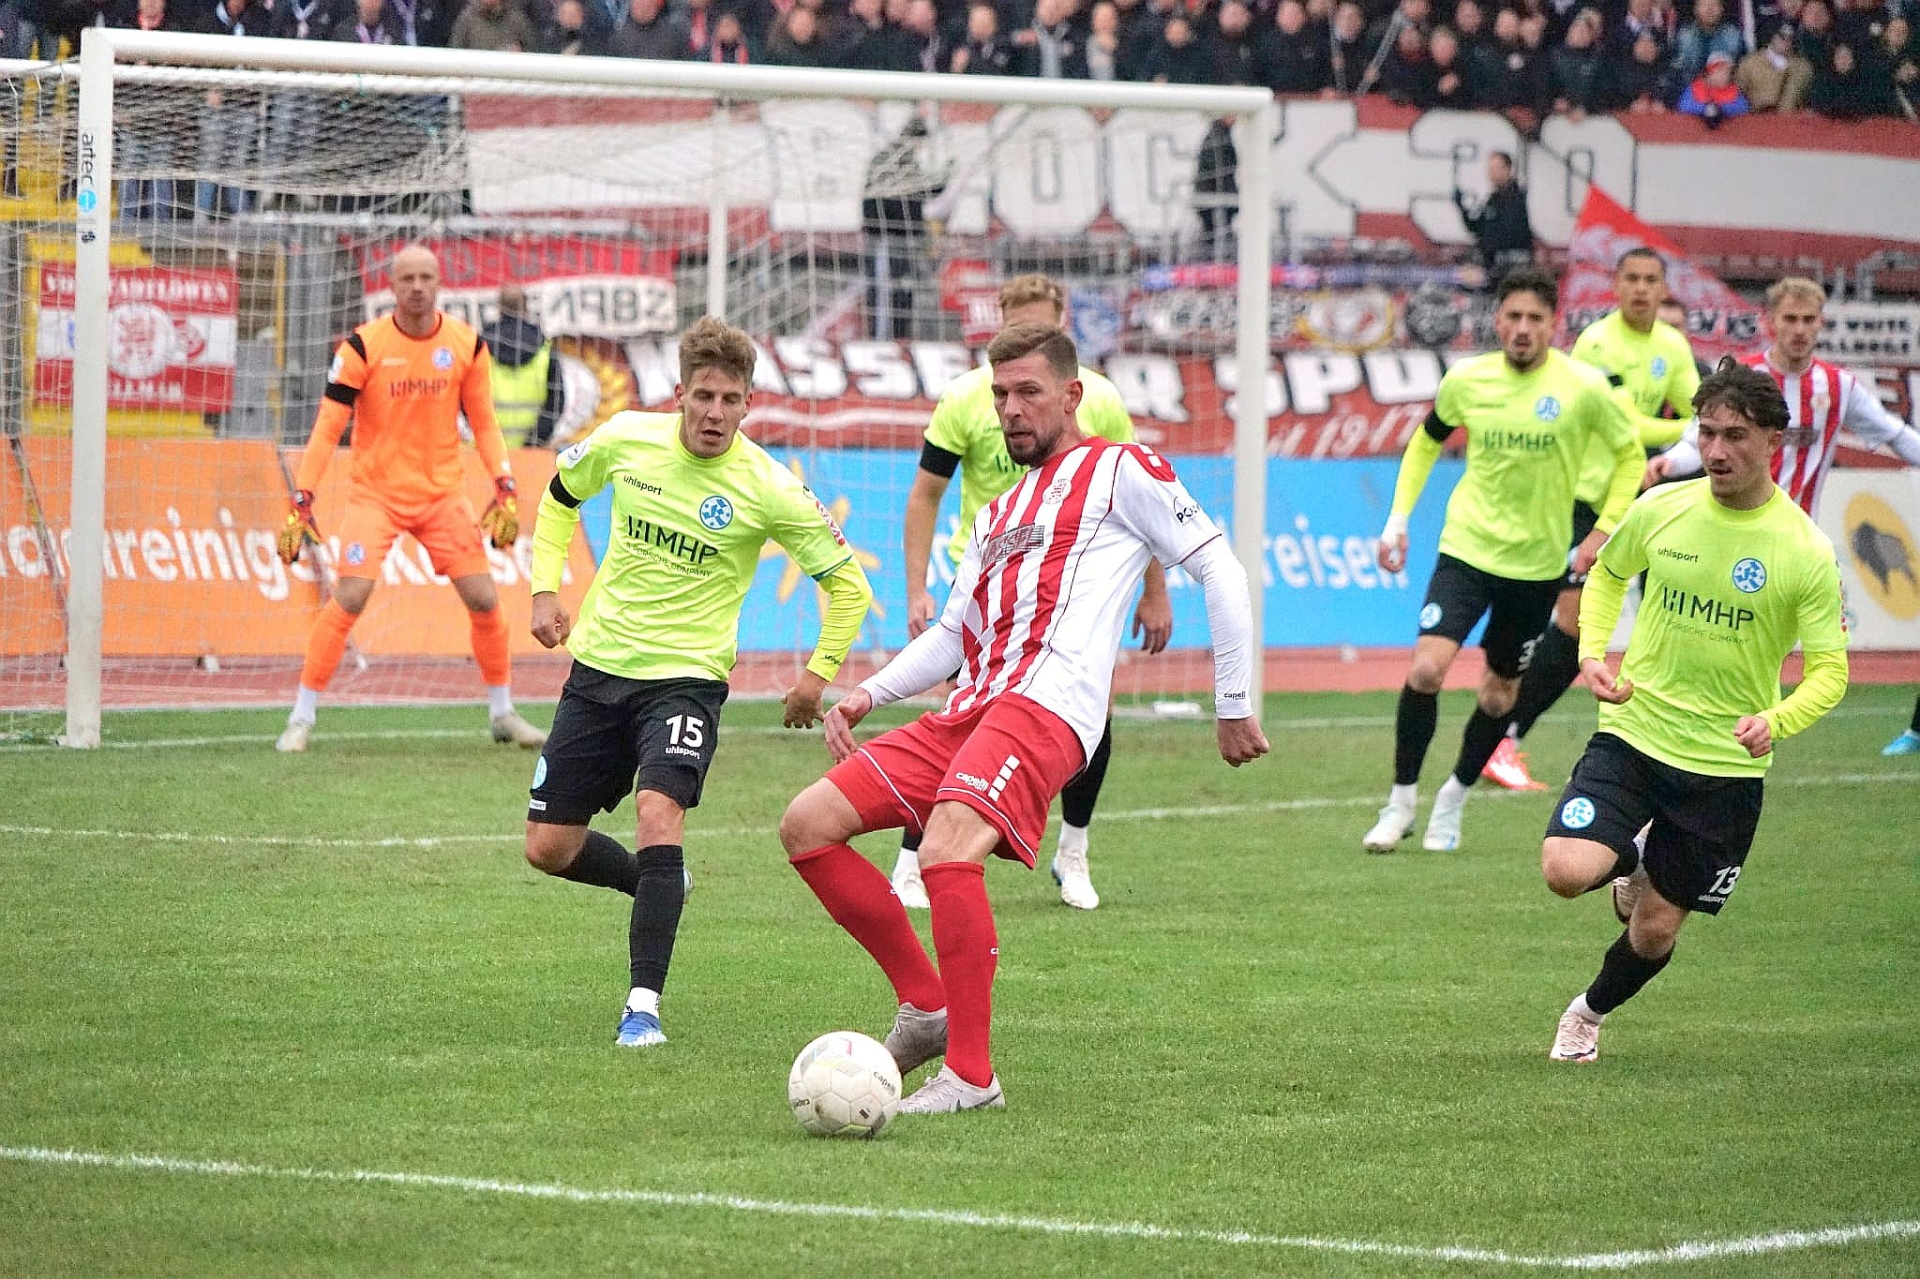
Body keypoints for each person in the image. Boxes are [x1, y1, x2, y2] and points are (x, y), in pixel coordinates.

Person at [778, 322, 1267, 1113]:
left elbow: (1219, 565)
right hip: (970, 708)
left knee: (946, 848)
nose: (1010, 408)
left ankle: (972, 1075)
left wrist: (1234, 700)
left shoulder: (1120, 467)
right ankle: (925, 1006)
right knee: (808, 824)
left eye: (1027, 391)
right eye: (1000, 393)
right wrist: (872, 692)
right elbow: (953, 634)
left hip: (1048, 706)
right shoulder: (996, 513)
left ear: (1072, 395)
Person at [521, 317, 874, 1048]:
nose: (715, 413)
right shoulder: (627, 439)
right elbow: (558, 496)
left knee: (660, 814)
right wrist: (544, 590)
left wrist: (816, 678)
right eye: (704, 396)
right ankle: (659, 881)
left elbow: (848, 585)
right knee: (548, 847)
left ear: (749, 403)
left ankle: (642, 1007)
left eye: (730, 400)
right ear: (679, 394)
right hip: (599, 669)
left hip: (686, 682)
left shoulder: (769, 486)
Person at [1542, 359, 1849, 1063]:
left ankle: (1586, 1015)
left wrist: (1777, 720)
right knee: (1564, 869)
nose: (1715, 450)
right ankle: (1635, 849)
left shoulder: (1804, 549)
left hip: (1722, 769)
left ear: (1773, 440)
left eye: (1734, 435)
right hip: (1635, 733)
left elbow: (1830, 673)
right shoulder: (1662, 508)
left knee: (1654, 931)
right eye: (1707, 432)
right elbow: (1607, 574)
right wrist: (1593, 652)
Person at [897, 274, 1173, 911]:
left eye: (1039, 324)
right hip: (988, 584)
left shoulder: (1098, 398)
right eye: (1015, 324)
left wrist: (1155, 591)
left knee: (1095, 713)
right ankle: (910, 862)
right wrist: (916, 589)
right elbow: (926, 494)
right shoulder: (967, 398)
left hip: (1076, 585)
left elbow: (1144, 500)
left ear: (1062, 323)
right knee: (961, 716)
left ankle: (1073, 852)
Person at [1364, 266, 1639, 853]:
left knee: (1497, 697)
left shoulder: (1584, 388)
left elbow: (1630, 455)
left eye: (1535, 318)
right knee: (1426, 670)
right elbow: (1426, 440)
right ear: (1497, 320)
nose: (1522, 328)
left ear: (1553, 325)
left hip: (1536, 568)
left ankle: (1453, 798)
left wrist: (1604, 530)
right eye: (1513, 316)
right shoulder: (1468, 379)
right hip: (1466, 551)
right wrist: (1397, 518)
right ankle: (1400, 802)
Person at [275, 245, 545, 755]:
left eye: (426, 277)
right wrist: (303, 496)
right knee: (350, 597)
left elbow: (484, 422)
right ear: (392, 286)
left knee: (484, 599)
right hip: (375, 496)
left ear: (439, 283)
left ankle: (503, 712)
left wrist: (504, 481)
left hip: (442, 496)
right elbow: (328, 426)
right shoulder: (362, 346)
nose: (417, 287)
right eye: (407, 279)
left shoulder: (467, 345)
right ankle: (300, 717)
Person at [1649, 278, 1920, 758]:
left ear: (1820, 323)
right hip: (1727, 532)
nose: (1799, 329)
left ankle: (1735, 736)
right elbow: (1697, 440)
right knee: (1708, 636)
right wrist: (1669, 462)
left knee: (1764, 650)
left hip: (1792, 546)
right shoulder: (1742, 379)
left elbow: (1894, 434)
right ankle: (1683, 732)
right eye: (1789, 319)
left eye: (1808, 320)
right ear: (1769, 322)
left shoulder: (1838, 387)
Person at [1483, 248, 1698, 791]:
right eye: (1632, 279)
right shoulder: (1597, 343)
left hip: (1645, 501)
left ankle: (1664, 746)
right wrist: (1682, 434)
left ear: (1663, 288)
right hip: (1585, 501)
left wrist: (1686, 437)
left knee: (1663, 621)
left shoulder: (1672, 347)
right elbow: (1628, 423)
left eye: (1651, 280)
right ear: (1616, 286)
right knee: (1573, 623)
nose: (1641, 289)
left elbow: (1697, 412)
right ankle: (1503, 738)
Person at [483, 285, 564, 447]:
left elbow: (466, 397)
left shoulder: (480, 348)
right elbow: (556, 401)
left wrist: (485, 434)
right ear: (526, 308)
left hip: (490, 449)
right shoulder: (544, 349)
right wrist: (534, 442)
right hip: (532, 451)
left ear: (499, 308)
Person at [1453, 151, 1534, 274]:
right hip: (1492, 267)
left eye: (1496, 168)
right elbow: (1477, 229)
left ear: (1508, 169)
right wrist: (1462, 208)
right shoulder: (1493, 199)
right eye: (1490, 168)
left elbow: (1507, 235)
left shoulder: (1515, 198)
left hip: (1510, 268)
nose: (1491, 173)